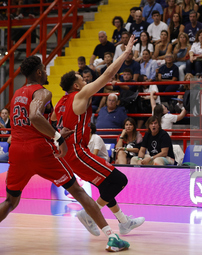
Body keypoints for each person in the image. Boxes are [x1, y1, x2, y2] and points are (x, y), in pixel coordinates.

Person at [0, 56, 130, 252]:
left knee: (10, 201)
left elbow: (34, 121)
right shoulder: (43, 92)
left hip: (17, 150)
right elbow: (35, 116)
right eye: (44, 69)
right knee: (78, 191)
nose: (46, 72)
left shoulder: (17, 93)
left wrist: (56, 129)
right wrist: (58, 137)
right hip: (40, 151)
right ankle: (111, 237)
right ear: (38, 72)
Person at [52, 36, 145, 244]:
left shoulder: (61, 102)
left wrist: (61, 134)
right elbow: (109, 73)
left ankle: (123, 222)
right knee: (120, 180)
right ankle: (89, 213)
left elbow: (51, 122)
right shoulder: (80, 94)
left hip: (68, 154)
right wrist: (127, 52)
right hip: (77, 152)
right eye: (82, 78)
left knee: (106, 184)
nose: (86, 79)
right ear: (76, 84)